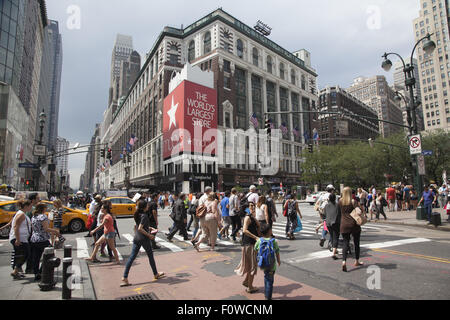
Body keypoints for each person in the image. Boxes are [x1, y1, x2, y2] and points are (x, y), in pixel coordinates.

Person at [121, 200, 165, 287]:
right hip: (143, 238)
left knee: (132, 257)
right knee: (150, 256)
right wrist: (149, 235)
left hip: (137, 238)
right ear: (144, 207)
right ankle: (155, 274)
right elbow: (140, 228)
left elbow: (138, 226)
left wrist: (149, 227)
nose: (148, 206)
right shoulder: (144, 215)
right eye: (147, 205)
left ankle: (124, 277)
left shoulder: (138, 214)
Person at [234, 202, 260, 294]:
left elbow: (259, 227)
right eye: (250, 206)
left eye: (254, 206)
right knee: (252, 266)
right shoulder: (247, 218)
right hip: (249, 244)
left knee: (250, 265)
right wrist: (256, 237)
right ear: (246, 208)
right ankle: (250, 287)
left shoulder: (251, 217)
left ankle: (246, 282)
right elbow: (245, 230)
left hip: (251, 244)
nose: (253, 207)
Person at [30, 203, 60, 281]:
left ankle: (36, 273)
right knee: (49, 254)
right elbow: (46, 229)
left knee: (36, 257)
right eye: (45, 208)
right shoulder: (43, 217)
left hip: (34, 238)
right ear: (43, 209)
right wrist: (55, 231)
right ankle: (41, 271)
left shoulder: (34, 216)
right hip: (42, 239)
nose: (46, 209)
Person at [339, 187, 363, 272]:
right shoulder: (353, 201)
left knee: (345, 243)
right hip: (354, 225)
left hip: (344, 224)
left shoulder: (340, 201)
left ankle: (344, 261)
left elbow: (339, 213)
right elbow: (359, 212)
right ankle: (356, 261)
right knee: (356, 243)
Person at [254, 224, 281, 300]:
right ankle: (268, 297)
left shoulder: (259, 241)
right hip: (271, 265)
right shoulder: (273, 241)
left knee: (266, 277)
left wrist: (256, 260)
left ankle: (266, 294)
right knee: (270, 281)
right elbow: (277, 252)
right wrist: (278, 261)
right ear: (269, 232)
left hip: (262, 263)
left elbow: (255, 250)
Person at [9, 200, 32, 279]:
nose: (31, 207)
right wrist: (18, 239)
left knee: (22, 254)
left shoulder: (22, 214)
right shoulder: (21, 214)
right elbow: (16, 226)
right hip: (19, 238)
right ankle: (16, 269)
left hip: (22, 238)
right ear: (26, 206)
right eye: (30, 206)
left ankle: (16, 271)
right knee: (26, 253)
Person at [324, 193, 341, 260]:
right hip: (336, 222)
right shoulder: (337, 205)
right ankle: (334, 252)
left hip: (328, 223)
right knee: (336, 237)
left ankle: (334, 249)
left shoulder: (326, 205)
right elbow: (340, 214)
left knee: (332, 236)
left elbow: (324, 214)